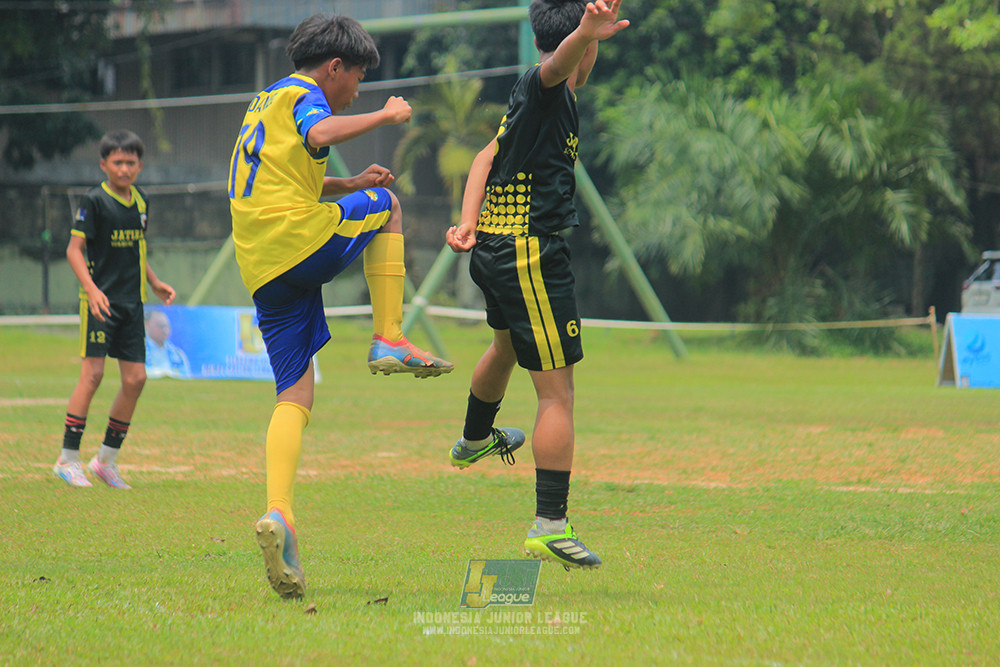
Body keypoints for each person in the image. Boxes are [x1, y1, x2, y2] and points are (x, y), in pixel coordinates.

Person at [228, 13, 453, 599]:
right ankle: (390, 336)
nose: (357, 90)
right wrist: (385, 116)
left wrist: (348, 186)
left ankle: (279, 513)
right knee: (390, 206)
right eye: (357, 78)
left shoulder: (263, 102)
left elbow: (286, 176)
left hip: (262, 266)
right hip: (294, 240)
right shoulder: (306, 95)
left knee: (294, 393)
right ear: (334, 67)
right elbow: (321, 132)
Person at [445, 0, 629, 570]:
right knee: (556, 394)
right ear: (580, 45)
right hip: (528, 253)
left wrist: (469, 219)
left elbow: (484, 158)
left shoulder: (534, 104)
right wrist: (585, 32)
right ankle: (550, 525)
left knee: (504, 345)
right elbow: (557, 66)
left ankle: (475, 439)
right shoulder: (542, 85)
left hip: (496, 247)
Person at [54, 129, 177, 490]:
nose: (124, 169)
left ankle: (105, 461)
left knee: (136, 379)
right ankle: (67, 460)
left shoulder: (142, 201)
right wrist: (91, 290)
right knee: (92, 376)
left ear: (140, 166)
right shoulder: (94, 201)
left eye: (131, 162)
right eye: (118, 162)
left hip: (132, 302)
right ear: (103, 164)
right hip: (100, 302)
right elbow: (74, 251)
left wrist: (154, 282)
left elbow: (137, 249)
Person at [144, 308, 191, 378]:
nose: (165, 330)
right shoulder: (138, 351)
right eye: (160, 326)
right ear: (146, 325)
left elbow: (185, 377)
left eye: (167, 326)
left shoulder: (178, 355)